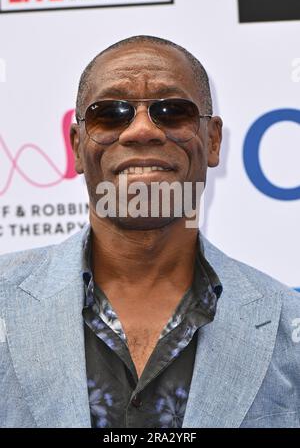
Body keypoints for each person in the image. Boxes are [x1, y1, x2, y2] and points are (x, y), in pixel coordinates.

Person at [0, 35, 299, 429]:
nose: (141, 130)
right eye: (111, 113)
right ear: (77, 146)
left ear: (212, 141)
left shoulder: (289, 327)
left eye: (173, 111)